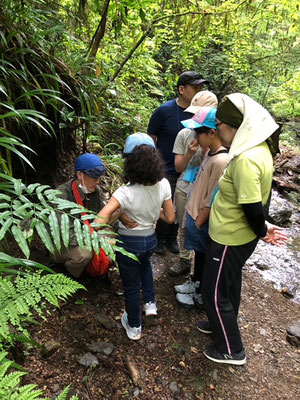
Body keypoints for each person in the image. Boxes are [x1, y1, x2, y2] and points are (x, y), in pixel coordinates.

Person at [196, 94, 288, 366]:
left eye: (221, 126)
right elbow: (257, 198)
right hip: (237, 234)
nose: (218, 131)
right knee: (229, 284)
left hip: (230, 237)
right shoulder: (258, 148)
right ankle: (220, 324)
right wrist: (264, 226)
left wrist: (262, 229)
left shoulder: (247, 158)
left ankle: (231, 350)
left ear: (236, 128)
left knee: (212, 292)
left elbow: (251, 205)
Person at [95, 133, 175, 341]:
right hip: (150, 240)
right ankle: (150, 304)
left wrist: (109, 222)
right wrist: (151, 212)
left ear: (130, 163)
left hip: (129, 242)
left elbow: (100, 219)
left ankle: (134, 326)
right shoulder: (164, 184)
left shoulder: (125, 192)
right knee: (145, 265)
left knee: (131, 286)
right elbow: (170, 216)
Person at [173, 107, 230, 309]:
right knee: (199, 253)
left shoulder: (221, 160)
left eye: (199, 132)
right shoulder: (210, 153)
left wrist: (199, 219)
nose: (195, 136)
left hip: (202, 218)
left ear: (212, 133)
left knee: (205, 256)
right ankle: (195, 282)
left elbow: (213, 196)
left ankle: (199, 294)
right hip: (195, 213)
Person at [148, 71, 209, 255]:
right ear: (181, 89)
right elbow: (151, 139)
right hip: (165, 167)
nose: (199, 92)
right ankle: (159, 238)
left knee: (182, 204)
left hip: (192, 168)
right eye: (195, 88)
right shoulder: (164, 111)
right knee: (164, 202)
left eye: (201, 88)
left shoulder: (203, 115)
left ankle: (172, 238)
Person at [52, 153, 134, 279]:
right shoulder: (60, 195)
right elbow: (65, 235)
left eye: (98, 178)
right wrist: (97, 240)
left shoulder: (96, 191)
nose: (97, 182)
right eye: (94, 177)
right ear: (80, 175)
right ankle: (72, 275)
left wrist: (126, 229)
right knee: (84, 254)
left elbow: (103, 218)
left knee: (112, 235)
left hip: (88, 233)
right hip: (64, 242)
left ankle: (96, 268)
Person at [169, 91, 218, 277]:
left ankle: (201, 268)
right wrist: (189, 153)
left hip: (206, 190)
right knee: (183, 225)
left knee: (202, 227)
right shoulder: (184, 133)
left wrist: (206, 149)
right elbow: (178, 167)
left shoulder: (216, 138)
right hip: (185, 185)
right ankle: (184, 260)